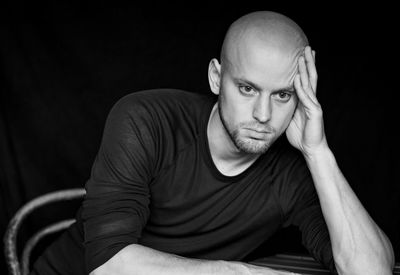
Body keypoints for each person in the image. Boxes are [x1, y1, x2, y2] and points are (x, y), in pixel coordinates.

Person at [31, 11, 395, 275]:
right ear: (217, 78)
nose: (264, 115)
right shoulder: (146, 120)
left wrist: (319, 153)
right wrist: (240, 274)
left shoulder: (293, 171)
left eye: (283, 95)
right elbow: (108, 266)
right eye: (248, 89)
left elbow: (372, 272)